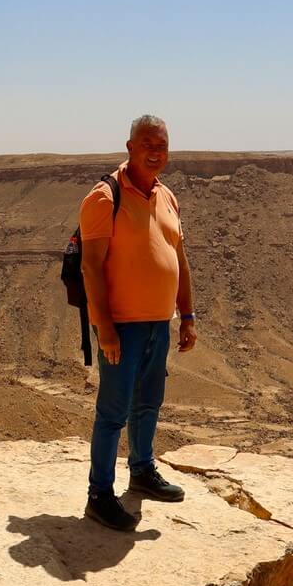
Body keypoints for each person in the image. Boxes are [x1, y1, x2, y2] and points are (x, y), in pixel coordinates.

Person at [78, 114, 197, 530]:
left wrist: (188, 316)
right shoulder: (104, 197)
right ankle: (100, 495)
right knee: (112, 412)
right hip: (122, 327)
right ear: (129, 147)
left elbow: (178, 259)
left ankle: (142, 471)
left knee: (148, 404)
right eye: (148, 144)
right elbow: (91, 268)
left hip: (157, 323)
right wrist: (105, 329)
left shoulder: (166, 196)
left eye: (162, 145)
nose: (155, 152)